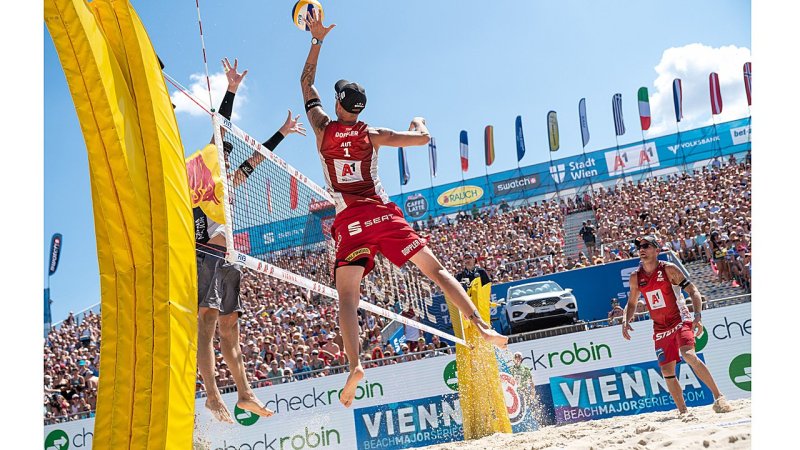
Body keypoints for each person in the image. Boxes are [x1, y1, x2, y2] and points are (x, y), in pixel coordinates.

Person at [299, 10, 508, 408]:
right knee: (438, 271)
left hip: (350, 221)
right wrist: (418, 119)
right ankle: (479, 324)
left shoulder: (322, 126)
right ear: (358, 107)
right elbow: (422, 137)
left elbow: (306, 82)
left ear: (339, 103)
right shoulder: (373, 134)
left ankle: (356, 364)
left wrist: (317, 39)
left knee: (347, 297)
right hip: (383, 213)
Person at [194, 58, 306, 423]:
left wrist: (283, 132)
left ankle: (244, 393)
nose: (227, 161)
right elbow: (220, 129)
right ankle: (212, 395)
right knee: (208, 321)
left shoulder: (230, 183)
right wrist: (230, 89)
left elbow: (257, 158)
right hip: (204, 254)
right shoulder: (202, 176)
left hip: (228, 258)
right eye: (223, 156)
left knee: (231, 328)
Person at [622, 235, 731, 415]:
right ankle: (683, 412)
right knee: (666, 371)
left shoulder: (668, 269)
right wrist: (626, 320)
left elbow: (693, 291)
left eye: (646, 245)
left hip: (680, 319)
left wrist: (698, 316)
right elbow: (632, 303)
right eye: (639, 246)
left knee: (688, 355)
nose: (641, 249)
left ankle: (718, 396)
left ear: (657, 250)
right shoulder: (636, 277)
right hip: (660, 326)